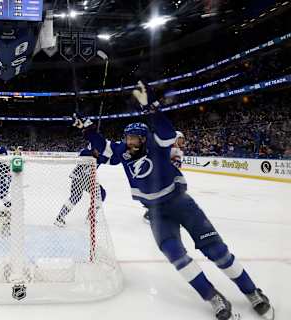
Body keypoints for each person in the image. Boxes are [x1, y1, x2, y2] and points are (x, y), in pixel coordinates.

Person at [74, 81, 274, 320]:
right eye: (128, 138)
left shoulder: (156, 147)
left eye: (135, 139)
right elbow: (104, 147)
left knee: (217, 252)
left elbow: (168, 133)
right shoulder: (123, 153)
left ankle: (252, 291)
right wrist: (87, 129)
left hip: (180, 203)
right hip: (156, 212)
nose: (130, 143)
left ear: (145, 139)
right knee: (176, 256)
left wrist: (152, 110)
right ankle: (212, 296)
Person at [54, 147, 108, 227]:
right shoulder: (86, 152)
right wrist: (92, 151)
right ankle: (60, 217)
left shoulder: (101, 157)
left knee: (101, 193)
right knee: (76, 196)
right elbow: (82, 153)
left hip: (88, 180)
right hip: (78, 177)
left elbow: (113, 160)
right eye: (96, 149)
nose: (98, 152)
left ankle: (90, 216)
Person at [143, 130, 185, 223]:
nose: (182, 142)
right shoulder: (165, 147)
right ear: (175, 139)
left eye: (182, 140)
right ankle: (150, 212)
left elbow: (176, 164)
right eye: (180, 139)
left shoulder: (178, 150)